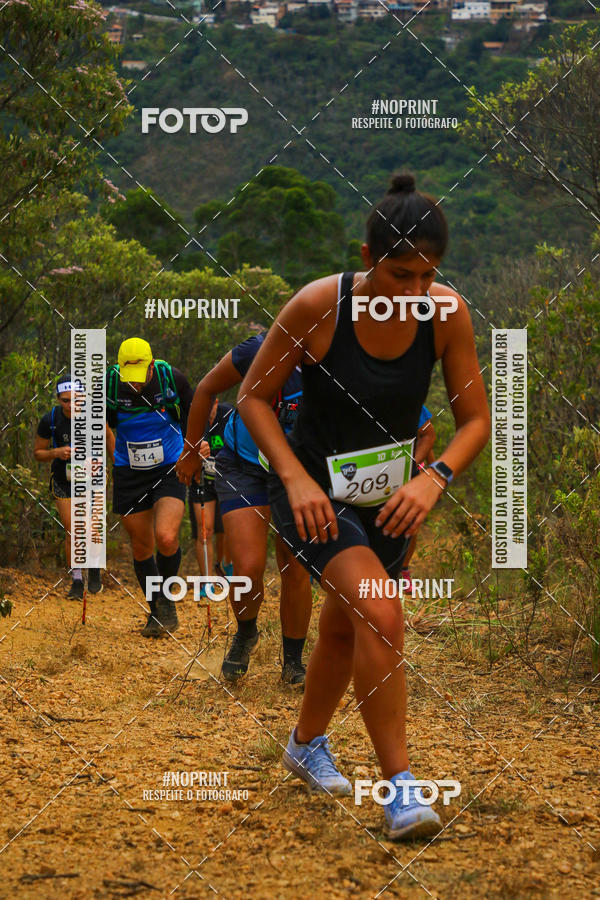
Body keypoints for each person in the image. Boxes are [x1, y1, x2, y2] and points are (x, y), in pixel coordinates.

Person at [237, 173, 490, 840]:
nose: (412, 291)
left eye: (426, 276)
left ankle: (305, 743)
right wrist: (292, 479)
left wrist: (433, 476)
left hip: (391, 502)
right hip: (315, 496)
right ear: (366, 257)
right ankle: (401, 791)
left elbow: (475, 421)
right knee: (379, 610)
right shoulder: (318, 306)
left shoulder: (447, 313)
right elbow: (253, 398)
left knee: (350, 626)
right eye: (398, 274)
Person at [176, 332, 312, 687]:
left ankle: (293, 662)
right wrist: (191, 450)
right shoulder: (256, 350)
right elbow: (205, 389)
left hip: (298, 470)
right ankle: (246, 632)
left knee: (295, 566)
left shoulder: (337, 362)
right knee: (247, 567)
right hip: (243, 465)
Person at [106, 338, 194, 638]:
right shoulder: (109, 385)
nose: (136, 385)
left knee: (166, 537)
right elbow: (100, 424)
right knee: (142, 546)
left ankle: (167, 598)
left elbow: (193, 413)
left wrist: (191, 451)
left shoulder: (172, 379)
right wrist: (113, 452)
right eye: (130, 378)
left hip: (169, 466)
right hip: (129, 471)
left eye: (141, 376)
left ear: (151, 365)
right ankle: (157, 609)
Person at [34, 375, 103, 599]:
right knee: (73, 529)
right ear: (58, 399)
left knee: (92, 530)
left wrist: (100, 462)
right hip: (64, 480)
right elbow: (38, 453)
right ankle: (76, 580)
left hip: (91, 481)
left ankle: (93, 567)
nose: (71, 405)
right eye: (65, 400)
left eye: (76, 399)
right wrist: (56, 452)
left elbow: (107, 444)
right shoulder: (50, 420)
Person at [188, 396, 234, 589]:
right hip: (202, 479)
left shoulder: (229, 415)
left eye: (209, 407)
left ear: (215, 402)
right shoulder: (192, 419)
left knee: (231, 529)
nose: (206, 413)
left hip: (228, 480)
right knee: (204, 530)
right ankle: (206, 582)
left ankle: (226, 565)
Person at [401, 406, 436, 592]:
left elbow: (427, 437)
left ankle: (404, 570)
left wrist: (434, 475)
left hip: (413, 471)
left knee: (412, 523)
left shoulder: (416, 405)